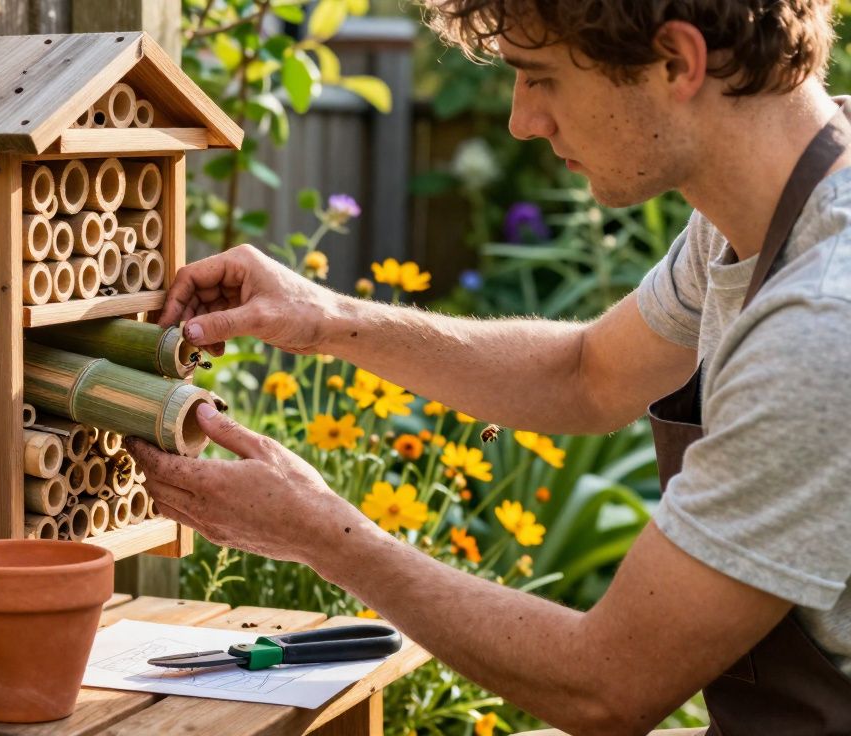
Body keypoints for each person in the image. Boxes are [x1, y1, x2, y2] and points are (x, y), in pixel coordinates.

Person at [122, 2, 851, 734]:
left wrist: (321, 533)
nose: (521, 121)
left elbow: (607, 685)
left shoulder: (821, 327)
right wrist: (326, 319)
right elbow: (586, 372)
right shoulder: (752, 219)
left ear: (677, 63)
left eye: (541, 79)